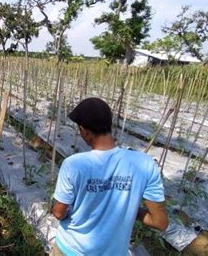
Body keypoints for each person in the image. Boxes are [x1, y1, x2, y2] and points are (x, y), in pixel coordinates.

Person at [51, 97, 168, 255]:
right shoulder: (145, 164)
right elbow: (160, 222)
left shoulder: (73, 165)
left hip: (71, 250)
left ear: (85, 131)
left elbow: (59, 213)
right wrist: (130, 210)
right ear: (109, 125)